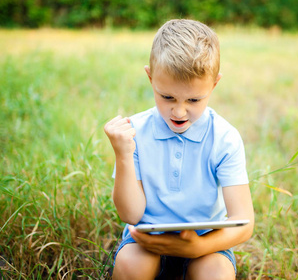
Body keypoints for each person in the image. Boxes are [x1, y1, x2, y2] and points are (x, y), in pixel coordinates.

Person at [104, 19, 254, 280]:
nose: (180, 111)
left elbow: (244, 222)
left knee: (215, 274)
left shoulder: (224, 138)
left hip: (206, 245)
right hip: (147, 242)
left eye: (194, 100)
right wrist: (123, 154)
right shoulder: (134, 132)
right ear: (151, 77)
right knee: (131, 266)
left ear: (214, 84)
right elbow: (130, 214)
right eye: (167, 97)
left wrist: (200, 247)